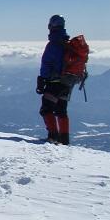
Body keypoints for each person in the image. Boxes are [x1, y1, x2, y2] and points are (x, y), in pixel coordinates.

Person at [36, 15, 72, 145]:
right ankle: (64, 140)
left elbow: (46, 63)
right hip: (68, 82)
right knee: (61, 110)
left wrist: (42, 79)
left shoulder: (53, 44)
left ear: (52, 26)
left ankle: (53, 137)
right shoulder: (67, 42)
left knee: (46, 108)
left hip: (54, 82)